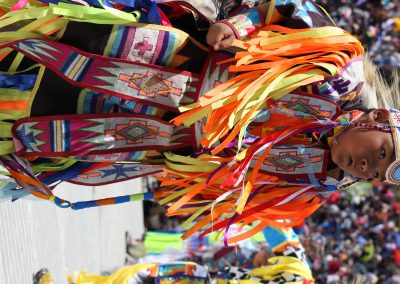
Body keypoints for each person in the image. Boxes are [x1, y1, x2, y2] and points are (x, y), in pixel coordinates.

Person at [0, 0, 399, 242]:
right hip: (170, 66)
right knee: (51, 50)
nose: (367, 168)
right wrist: (236, 25)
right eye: (380, 153)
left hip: (151, 138)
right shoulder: (340, 69)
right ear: (379, 118)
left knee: (42, 132)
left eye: (377, 173)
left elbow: (235, 194)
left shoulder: (319, 181)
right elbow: (289, 8)